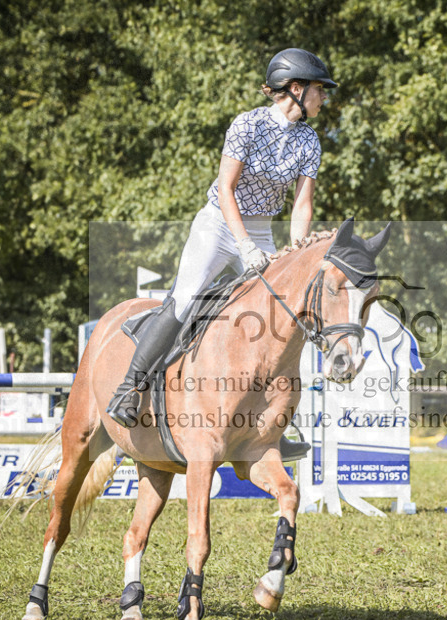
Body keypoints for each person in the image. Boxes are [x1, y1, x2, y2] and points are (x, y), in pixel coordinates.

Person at [107, 48, 338, 433]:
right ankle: (129, 388)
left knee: (282, 311)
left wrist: (296, 253)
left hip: (262, 227)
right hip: (218, 224)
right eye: (320, 89)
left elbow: (302, 205)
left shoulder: (309, 141)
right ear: (296, 89)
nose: (324, 96)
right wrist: (243, 244)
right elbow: (227, 189)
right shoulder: (246, 125)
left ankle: (275, 417)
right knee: (185, 298)